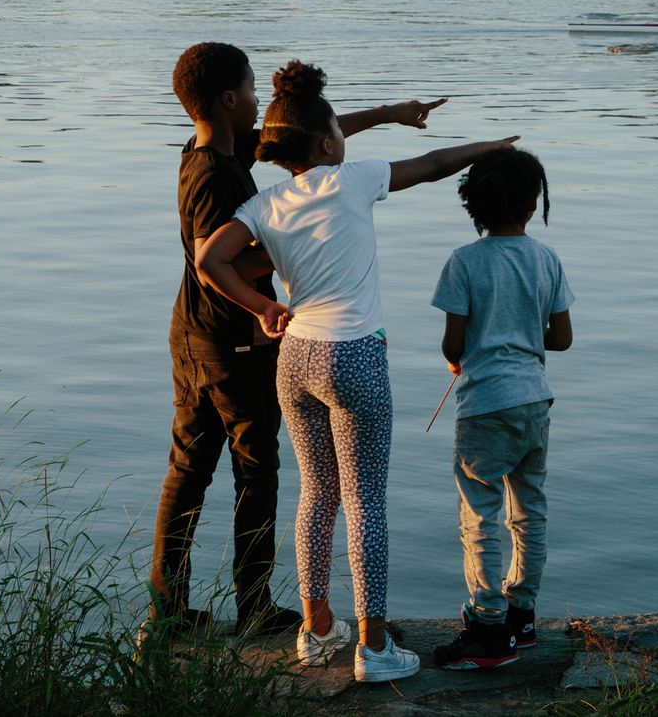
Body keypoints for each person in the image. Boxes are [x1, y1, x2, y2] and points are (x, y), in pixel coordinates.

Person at [197, 61, 516, 684]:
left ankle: (316, 632)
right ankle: (373, 648)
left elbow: (211, 258)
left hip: (295, 358)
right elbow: (431, 164)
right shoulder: (352, 178)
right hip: (355, 354)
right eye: (337, 131)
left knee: (316, 496)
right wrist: (491, 146)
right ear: (327, 143)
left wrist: (264, 307)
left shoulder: (266, 202)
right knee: (365, 500)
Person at [153, 44, 447, 643]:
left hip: (194, 336)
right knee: (255, 470)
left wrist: (388, 114)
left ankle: (170, 611)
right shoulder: (215, 176)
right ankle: (251, 606)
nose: (262, 102)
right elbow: (219, 259)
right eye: (254, 89)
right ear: (231, 99)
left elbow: (310, 141)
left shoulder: (209, 151)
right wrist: (301, 249)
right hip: (229, 343)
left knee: (189, 469)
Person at [429, 148, 573, 671]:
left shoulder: (464, 262)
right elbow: (561, 338)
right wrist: (520, 333)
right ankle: (522, 615)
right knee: (529, 510)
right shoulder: (547, 259)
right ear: (532, 205)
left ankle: (488, 628)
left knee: (481, 516)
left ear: (476, 205)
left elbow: (452, 345)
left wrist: (465, 355)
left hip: (485, 406)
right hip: (535, 402)